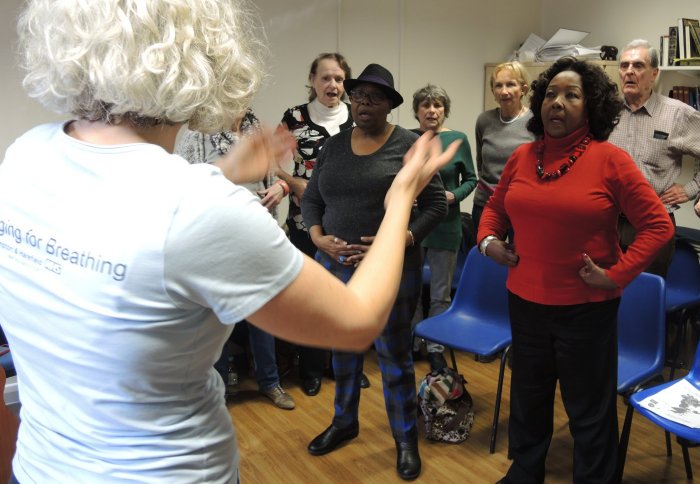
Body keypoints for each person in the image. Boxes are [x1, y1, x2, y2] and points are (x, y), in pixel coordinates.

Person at [0, 1, 460, 482]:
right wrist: (403, 192)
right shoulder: (200, 208)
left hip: (39, 467)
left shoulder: (28, 153)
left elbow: (132, 213)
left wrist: (224, 173)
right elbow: (355, 323)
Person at [478, 57, 674, 483]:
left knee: (588, 408)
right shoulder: (523, 157)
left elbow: (659, 225)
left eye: (572, 95)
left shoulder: (611, 161)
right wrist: (488, 242)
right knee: (528, 398)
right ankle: (526, 469)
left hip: (585, 310)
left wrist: (617, 274)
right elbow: (494, 209)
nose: (558, 103)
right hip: (525, 302)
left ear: (592, 107)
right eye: (551, 94)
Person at [302, 63, 448, 481]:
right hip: (334, 268)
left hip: (387, 272)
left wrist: (400, 238)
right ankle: (344, 421)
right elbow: (313, 198)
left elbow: (435, 206)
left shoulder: (409, 145)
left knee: (393, 357)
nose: (364, 104)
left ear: (389, 105)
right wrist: (317, 236)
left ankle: (405, 440)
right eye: (359, 96)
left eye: (375, 98)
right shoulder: (333, 145)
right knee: (343, 350)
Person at [175, 109, 295, 410]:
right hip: (215, 237)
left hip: (257, 230)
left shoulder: (256, 127)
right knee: (219, 315)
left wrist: (281, 187)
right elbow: (185, 186)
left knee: (264, 314)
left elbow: (275, 173)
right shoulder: (196, 130)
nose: (239, 99)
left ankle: (270, 382)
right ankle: (221, 386)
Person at [278, 53, 365, 397]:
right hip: (305, 222)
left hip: (349, 221)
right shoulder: (294, 117)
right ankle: (311, 367)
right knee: (312, 297)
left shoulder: (358, 118)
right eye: (326, 78)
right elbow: (269, 159)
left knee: (347, 296)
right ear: (313, 80)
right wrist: (290, 182)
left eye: (340, 79)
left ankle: (345, 366)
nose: (333, 85)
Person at [608, 39, 700, 277]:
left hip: (652, 224)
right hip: (605, 223)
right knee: (601, 299)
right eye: (624, 65)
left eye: (638, 66)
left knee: (643, 299)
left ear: (654, 73)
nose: (629, 72)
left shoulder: (677, 114)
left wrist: (692, 188)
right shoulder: (605, 112)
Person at [408, 84, 476, 372]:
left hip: (446, 225)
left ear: (445, 111)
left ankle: (435, 346)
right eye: (425, 105)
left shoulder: (457, 140)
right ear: (417, 112)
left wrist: (454, 195)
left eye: (437, 105)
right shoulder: (406, 139)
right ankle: (415, 341)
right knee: (410, 290)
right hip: (411, 227)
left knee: (440, 293)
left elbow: (471, 179)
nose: (431, 110)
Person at [473, 61, 535, 233]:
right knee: (485, 256)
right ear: (493, 91)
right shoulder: (484, 120)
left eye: (510, 84)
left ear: (523, 88)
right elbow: (481, 163)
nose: (504, 91)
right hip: (486, 203)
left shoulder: (536, 122)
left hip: (522, 205)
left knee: (521, 257)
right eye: (498, 86)